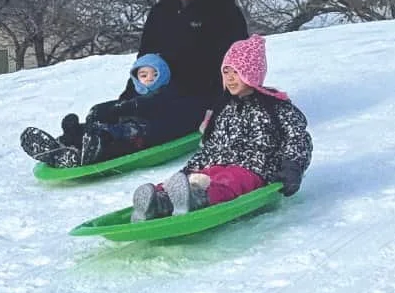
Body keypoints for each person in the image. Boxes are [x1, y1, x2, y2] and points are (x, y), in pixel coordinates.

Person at [131, 34, 313, 221]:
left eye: (237, 72)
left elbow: (297, 138)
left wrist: (293, 167)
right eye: (226, 73)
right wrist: (188, 170)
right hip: (217, 163)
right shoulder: (223, 108)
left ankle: (198, 199)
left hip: (254, 168)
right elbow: (210, 146)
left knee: (229, 180)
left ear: (252, 73)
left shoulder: (276, 107)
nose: (231, 79)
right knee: (192, 177)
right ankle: (158, 200)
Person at [120, 0, 248, 126]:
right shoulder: (160, 13)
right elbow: (145, 63)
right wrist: (126, 99)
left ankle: (113, 140)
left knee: (149, 119)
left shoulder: (221, 8)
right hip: (160, 95)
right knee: (110, 112)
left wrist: (222, 107)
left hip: (204, 101)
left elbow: (239, 66)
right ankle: (76, 141)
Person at [20, 54, 201, 168]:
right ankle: (65, 142)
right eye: (143, 75)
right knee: (99, 124)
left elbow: (150, 104)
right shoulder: (134, 93)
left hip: (145, 131)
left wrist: (121, 108)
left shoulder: (168, 92)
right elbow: (124, 104)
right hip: (128, 125)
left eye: (155, 75)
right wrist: (101, 110)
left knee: (116, 135)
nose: (149, 80)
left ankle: (93, 148)